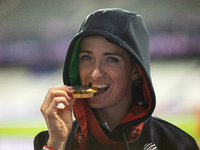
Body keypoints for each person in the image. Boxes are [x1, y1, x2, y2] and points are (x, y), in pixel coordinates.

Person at [34, 8, 199, 150]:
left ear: (136, 70)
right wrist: (56, 143)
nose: (95, 74)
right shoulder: (52, 141)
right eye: (86, 58)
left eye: (111, 59)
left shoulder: (175, 143)